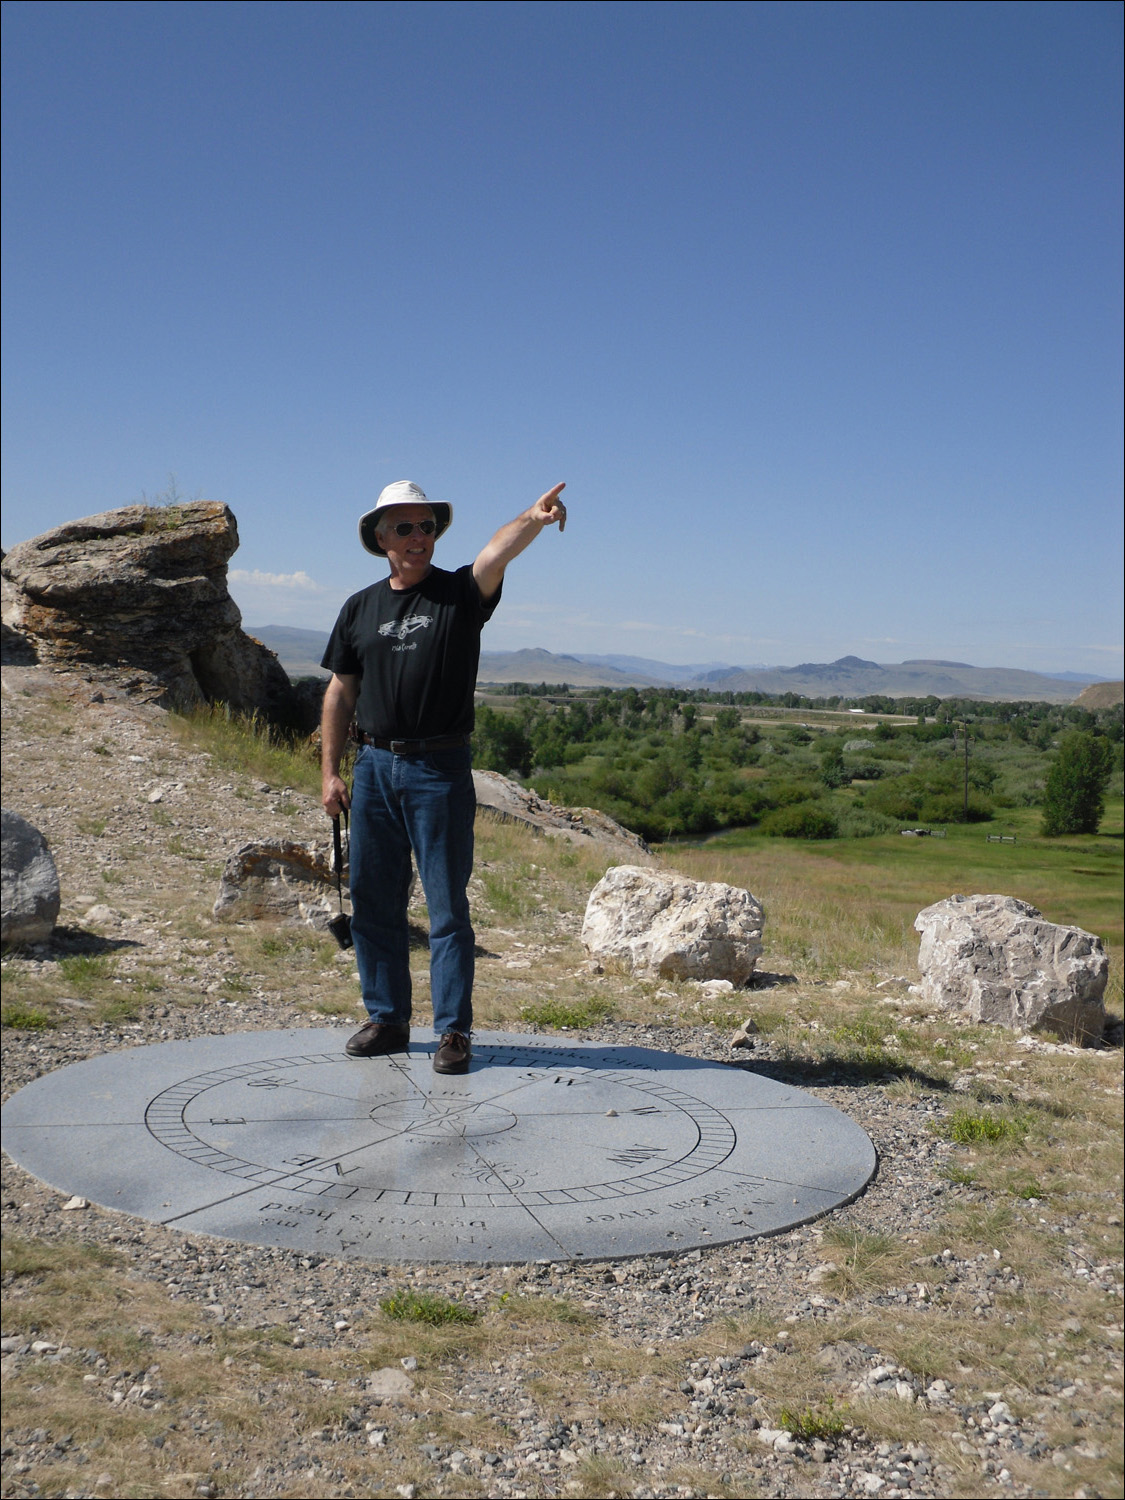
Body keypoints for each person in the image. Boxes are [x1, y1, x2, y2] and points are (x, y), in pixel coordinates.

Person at [320, 478, 567, 1074]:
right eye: (404, 527)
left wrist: (532, 518)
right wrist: (331, 773)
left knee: (446, 905)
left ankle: (453, 1031)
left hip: (439, 766)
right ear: (381, 538)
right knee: (373, 900)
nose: (418, 537)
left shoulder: (459, 594)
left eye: (426, 526)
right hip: (374, 766)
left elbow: (495, 553)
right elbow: (339, 693)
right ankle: (387, 1019)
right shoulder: (359, 607)